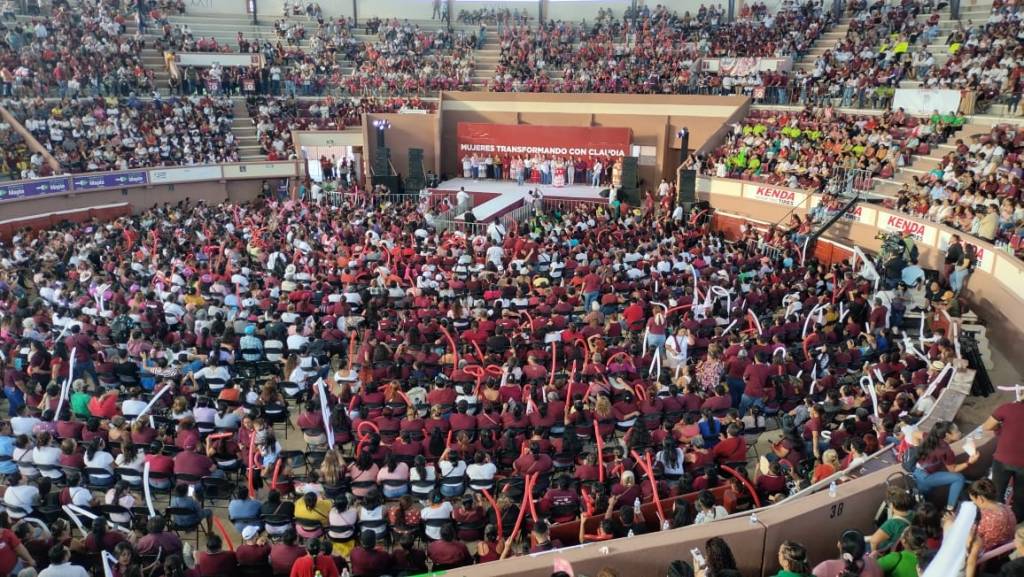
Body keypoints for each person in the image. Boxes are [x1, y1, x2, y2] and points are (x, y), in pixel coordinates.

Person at [907, 421, 976, 511]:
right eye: (957, 432)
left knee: (924, 499)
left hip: (917, 472)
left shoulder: (930, 437)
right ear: (948, 435)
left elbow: (914, 434)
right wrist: (969, 462)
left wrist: (916, 449)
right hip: (927, 477)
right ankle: (950, 509)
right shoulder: (946, 450)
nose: (960, 433)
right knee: (959, 478)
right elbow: (953, 470)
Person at [982, 397, 1024, 521]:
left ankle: (997, 520)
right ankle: (1015, 522)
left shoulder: (1007, 408)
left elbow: (987, 426)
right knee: (1020, 496)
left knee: (998, 492)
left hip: (1003, 459)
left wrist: (1000, 429)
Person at [812, 529, 882, 577]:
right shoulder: (875, 566)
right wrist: (871, 560)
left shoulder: (825, 568)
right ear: (863, 548)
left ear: (839, 545)